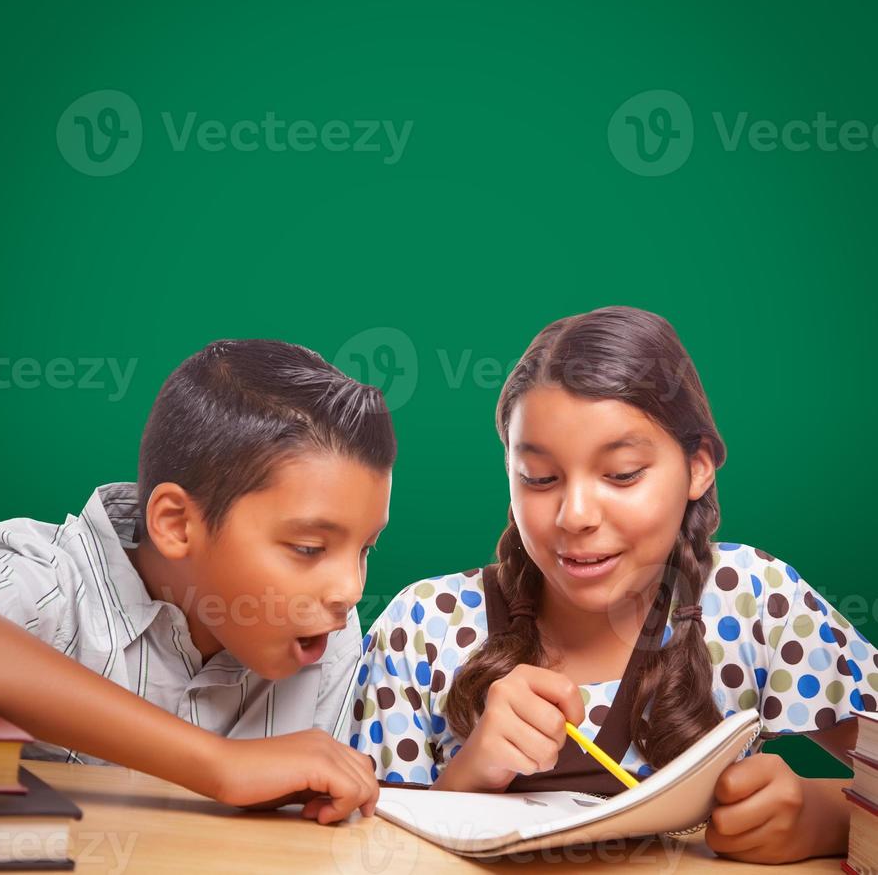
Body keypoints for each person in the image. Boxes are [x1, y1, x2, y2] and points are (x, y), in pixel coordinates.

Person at [348, 306, 876, 862]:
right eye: (540, 479)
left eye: (622, 474)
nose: (574, 515)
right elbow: (357, 855)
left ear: (698, 467)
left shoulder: (755, 600)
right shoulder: (422, 627)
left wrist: (830, 817)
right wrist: (474, 772)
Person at [0, 339, 394, 823]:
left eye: (365, 550)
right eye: (309, 549)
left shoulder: (327, 637)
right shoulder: (52, 581)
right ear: (177, 524)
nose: (350, 590)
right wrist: (219, 765)